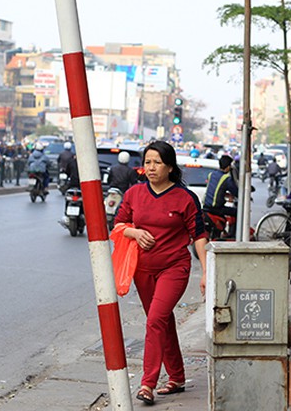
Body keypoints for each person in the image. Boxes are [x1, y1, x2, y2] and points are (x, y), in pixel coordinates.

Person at [113, 140, 208, 405]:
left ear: (169, 166)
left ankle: (147, 383)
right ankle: (177, 377)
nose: (151, 167)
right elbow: (118, 224)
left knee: (155, 319)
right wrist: (134, 231)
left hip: (174, 267)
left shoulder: (185, 198)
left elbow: (199, 235)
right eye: (147, 162)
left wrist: (205, 271)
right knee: (162, 321)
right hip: (142, 269)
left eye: (157, 162)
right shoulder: (134, 194)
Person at [203, 155, 239, 233]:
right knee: (237, 212)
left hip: (206, 206)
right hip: (216, 209)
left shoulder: (211, 174)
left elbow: (216, 189)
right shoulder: (226, 178)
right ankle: (232, 234)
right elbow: (235, 191)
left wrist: (226, 194)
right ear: (228, 167)